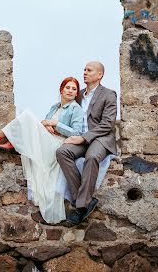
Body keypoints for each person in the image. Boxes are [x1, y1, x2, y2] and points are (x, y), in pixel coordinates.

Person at [0, 77, 83, 223]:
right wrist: (46, 124)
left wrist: (55, 124)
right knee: (27, 117)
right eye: (68, 87)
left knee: (27, 116)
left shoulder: (76, 108)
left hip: (59, 144)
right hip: (48, 140)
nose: (70, 91)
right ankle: (7, 141)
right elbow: (44, 124)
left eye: (74, 89)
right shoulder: (55, 107)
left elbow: (77, 133)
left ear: (76, 93)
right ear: (61, 89)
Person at [56, 61, 117, 225]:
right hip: (79, 138)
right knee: (62, 152)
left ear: (99, 75)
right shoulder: (79, 94)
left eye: (89, 70)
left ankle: (79, 208)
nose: (84, 72)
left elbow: (107, 124)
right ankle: (83, 200)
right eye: (84, 69)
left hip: (100, 138)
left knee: (91, 157)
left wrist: (84, 138)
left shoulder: (109, 94)